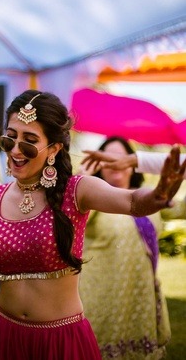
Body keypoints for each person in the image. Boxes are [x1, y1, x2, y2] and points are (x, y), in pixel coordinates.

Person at [0, 90, 185, 360]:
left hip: (59, 341)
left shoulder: (76, 191)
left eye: (29, 142)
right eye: (9, 138)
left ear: (53, 148)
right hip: (4, 335)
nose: (16, 150)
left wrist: (158, 197)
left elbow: (131, 201)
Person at [78, 136, 171, 359]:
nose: (113, 164)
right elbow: (69, 222)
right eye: (106, 159)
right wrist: (82, 180)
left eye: (119, 157)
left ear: (131, 164)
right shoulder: (92, 199)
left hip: (141, 294)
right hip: (100, 298)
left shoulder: (149, 198)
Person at [81, 147, 186, 177]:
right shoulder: (95, 199)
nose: (116, 162)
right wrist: (81, 176)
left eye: (122, 156)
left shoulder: (148, 195)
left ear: (133, 170)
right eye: (103, 159)